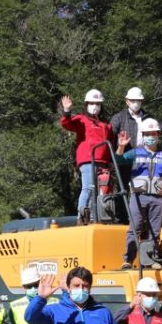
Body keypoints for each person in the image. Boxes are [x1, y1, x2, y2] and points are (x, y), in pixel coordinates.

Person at [116, 119, 162, 270]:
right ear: (143, 136)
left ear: (158, 135)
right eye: (147, 134)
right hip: (138, 196)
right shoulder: (135, 153)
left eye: (153, 133)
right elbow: (118, 160)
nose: (151, 136)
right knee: (135, 227)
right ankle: (128, 259)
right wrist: (121, 146)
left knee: (155, 231)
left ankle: (150, 259)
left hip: (158, 198)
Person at [60, 89, 112, 224]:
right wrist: (66, 111)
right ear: (86, 104)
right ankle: (82, 217)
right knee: (88, 188)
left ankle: (95, 219)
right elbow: (67, 124)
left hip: (103, 162)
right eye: (91, 103)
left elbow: (111, 142)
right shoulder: (81, 119)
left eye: (98, 103)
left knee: (100, 192)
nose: (95, 106)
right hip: (88, 160)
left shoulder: (105, 125)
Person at [109, 86, 162, 152]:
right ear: (127, 101)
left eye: (138, 100)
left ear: (142, 101)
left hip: (146, 156)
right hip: (126, 158)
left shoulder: (148, 117)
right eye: (132, 100)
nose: (136, 102)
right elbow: (110, 136)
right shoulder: (119, 118)